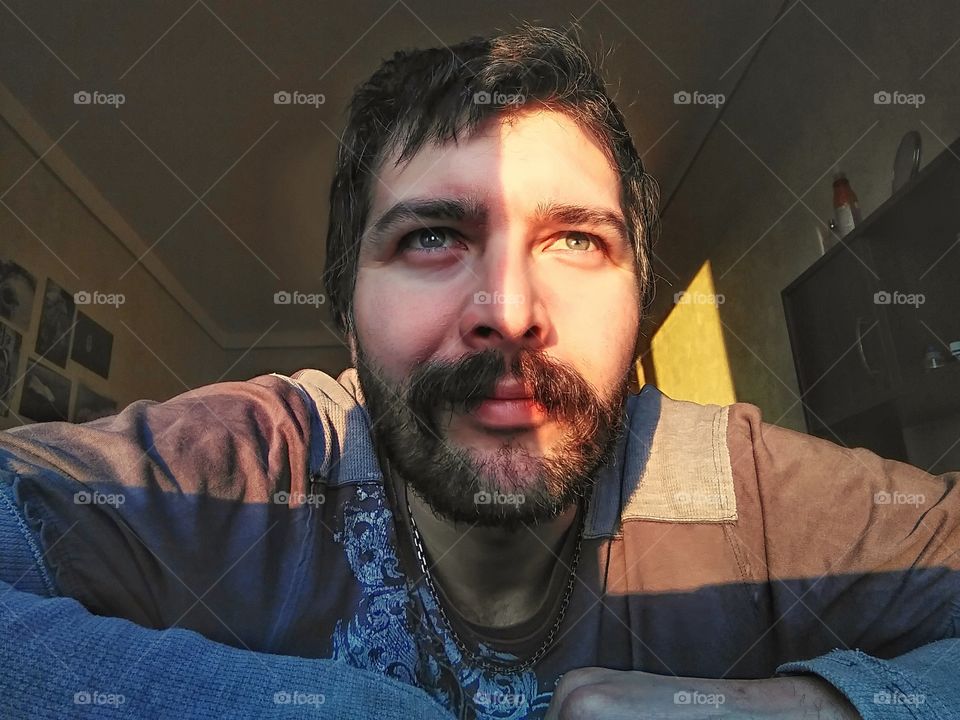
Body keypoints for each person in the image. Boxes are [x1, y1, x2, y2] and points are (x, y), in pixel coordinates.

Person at [1, 24, 958, 720]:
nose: (509, 309)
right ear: (345, 309)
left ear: (639, 298)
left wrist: (811, 708)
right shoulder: (255, 464)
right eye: (430, 238)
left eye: (577, 239)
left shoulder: (730, 484)